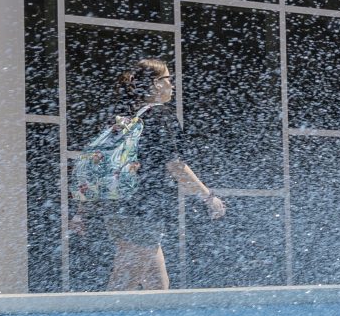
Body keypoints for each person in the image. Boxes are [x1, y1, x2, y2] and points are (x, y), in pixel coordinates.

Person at [68, 59, 224, 291]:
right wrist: (208, 197)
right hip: (142, 212)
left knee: (157, 287)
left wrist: (83, 211)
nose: (172, 84)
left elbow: (99, 165)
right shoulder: (160, 116)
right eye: (168, 79)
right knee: (122, 289)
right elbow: (176, 167)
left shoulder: (128, 119)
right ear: (155, 84)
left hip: (118, 210)